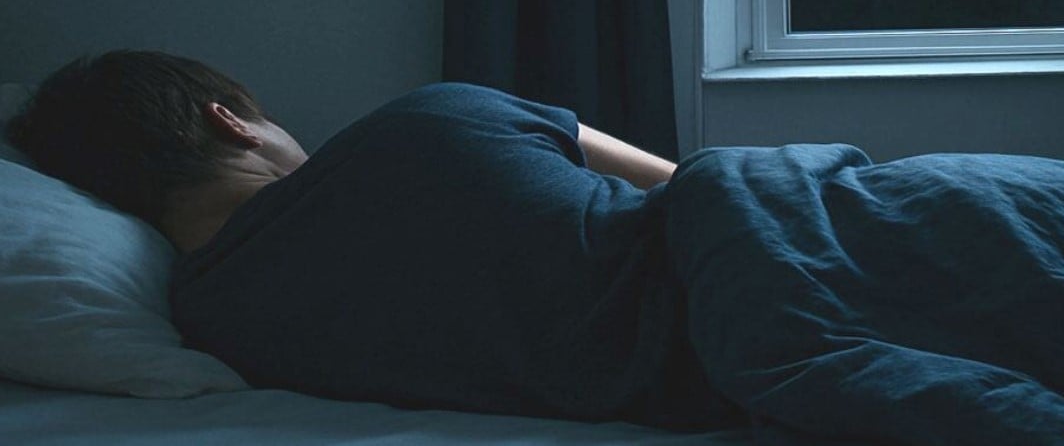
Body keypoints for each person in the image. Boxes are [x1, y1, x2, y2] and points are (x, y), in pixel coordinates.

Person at [6, 49, 740, 429]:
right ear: (230, 121)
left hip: (705, 382)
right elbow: (693, 182)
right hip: (751, 262)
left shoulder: (212, 331)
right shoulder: (435, 119)